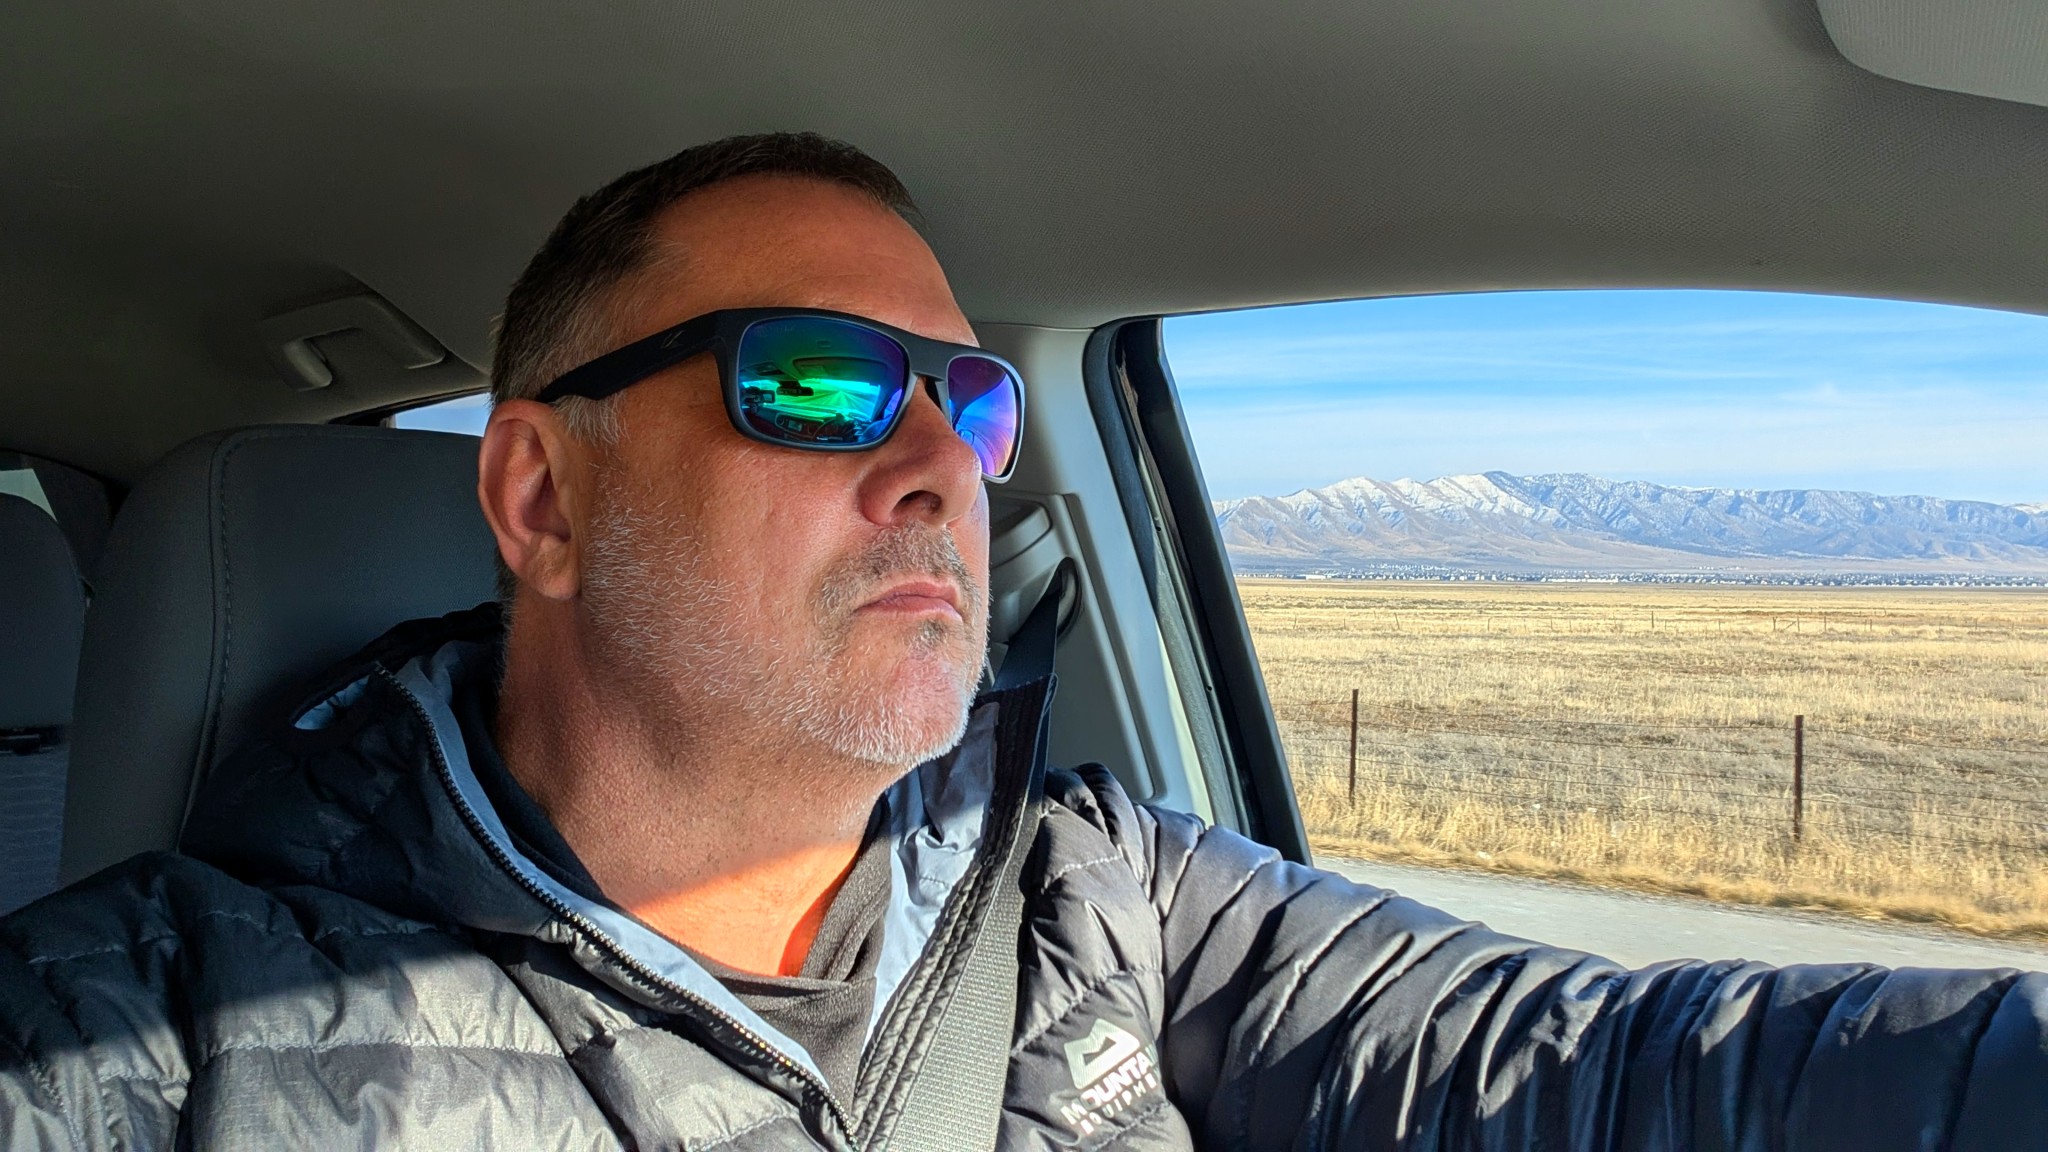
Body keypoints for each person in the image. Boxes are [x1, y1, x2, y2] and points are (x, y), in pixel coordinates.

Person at [1, 132, 2043, 1151]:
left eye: (966, 402)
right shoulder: (132, 1038)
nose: (937, 469)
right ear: (539, 497)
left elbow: (1595, 1071)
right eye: (814, 382)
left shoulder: (1098, 894)